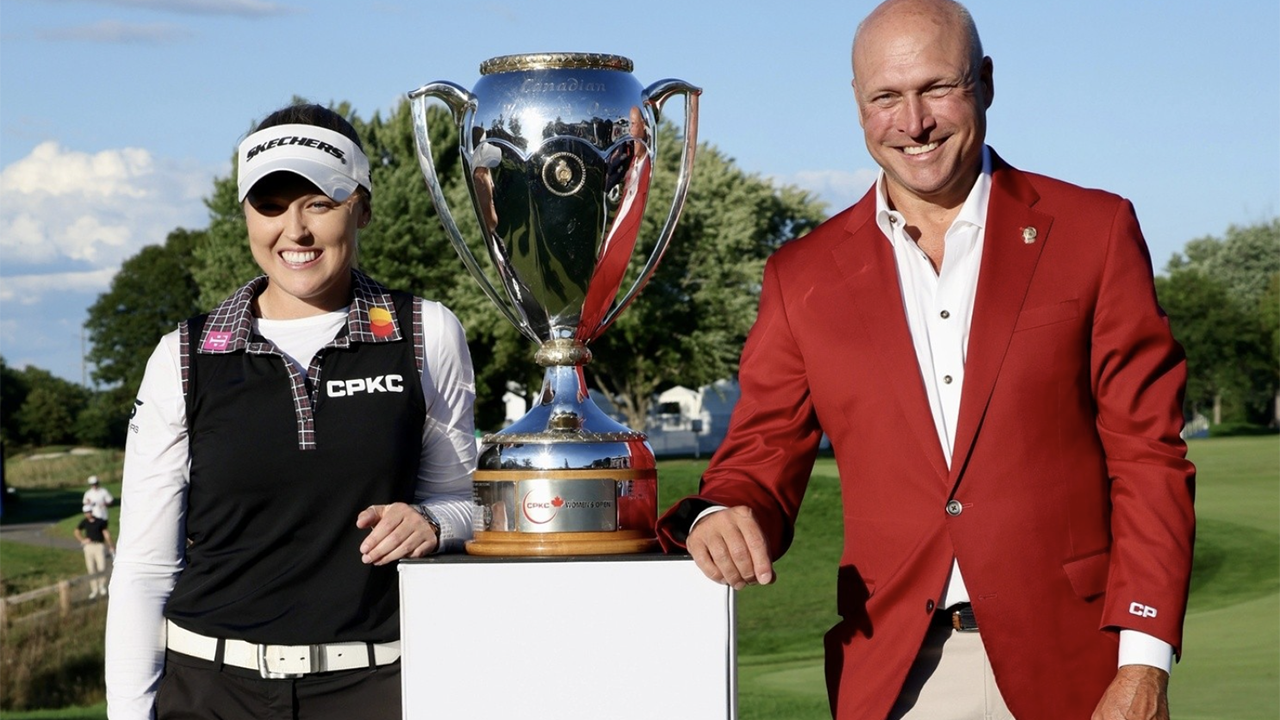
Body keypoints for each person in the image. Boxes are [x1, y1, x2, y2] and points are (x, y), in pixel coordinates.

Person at [656, 2, 1196, 719]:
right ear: (859, 105)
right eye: (886, 96)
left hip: (1076, 667)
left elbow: (1147, 457)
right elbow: (760, 453)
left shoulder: (1094, 232)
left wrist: (1143, 664)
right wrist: (720, 510)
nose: (914, 122)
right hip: (894, 674)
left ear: (986, 84)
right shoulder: (802, 275)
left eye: (938, 88)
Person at [104, 103, 478, 720]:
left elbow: (466, 505)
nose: (295, 231)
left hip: (377, 687)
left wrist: (433, 524)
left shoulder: (424, 332)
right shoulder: (185, 356)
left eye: (319, 203)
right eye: (270, 205)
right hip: (209, 691)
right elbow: (145, 567)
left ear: (361, 207)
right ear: (247, 215)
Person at [75, 504, 114, 599]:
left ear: (91, 511)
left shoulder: (100, 521)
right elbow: (76, 531)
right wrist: (82, 540)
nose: (88, 514)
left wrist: (110, 545)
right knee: (91, 568)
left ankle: (101, 586)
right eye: (86, 512)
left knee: (101, 566)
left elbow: (105, 533)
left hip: (99, 545)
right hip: (89, 546)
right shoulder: (84, 522)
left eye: (89, 512)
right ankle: (94, 589)